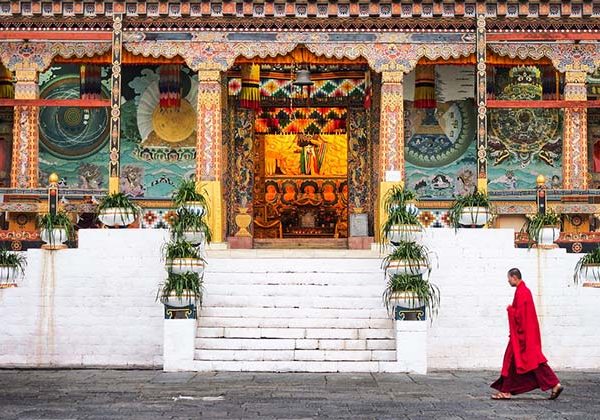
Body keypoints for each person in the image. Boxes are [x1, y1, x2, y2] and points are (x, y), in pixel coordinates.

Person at [491, 268, 564, 400]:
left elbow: (519, 316)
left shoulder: (522, 292)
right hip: (527, 335)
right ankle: (554, 384)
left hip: (522, 337)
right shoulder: (524, 291)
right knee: (530, 362)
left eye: (509, 278)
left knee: (514, 360)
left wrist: (510, 310)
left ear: (514, 277)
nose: (508, 280)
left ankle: (506, 391)